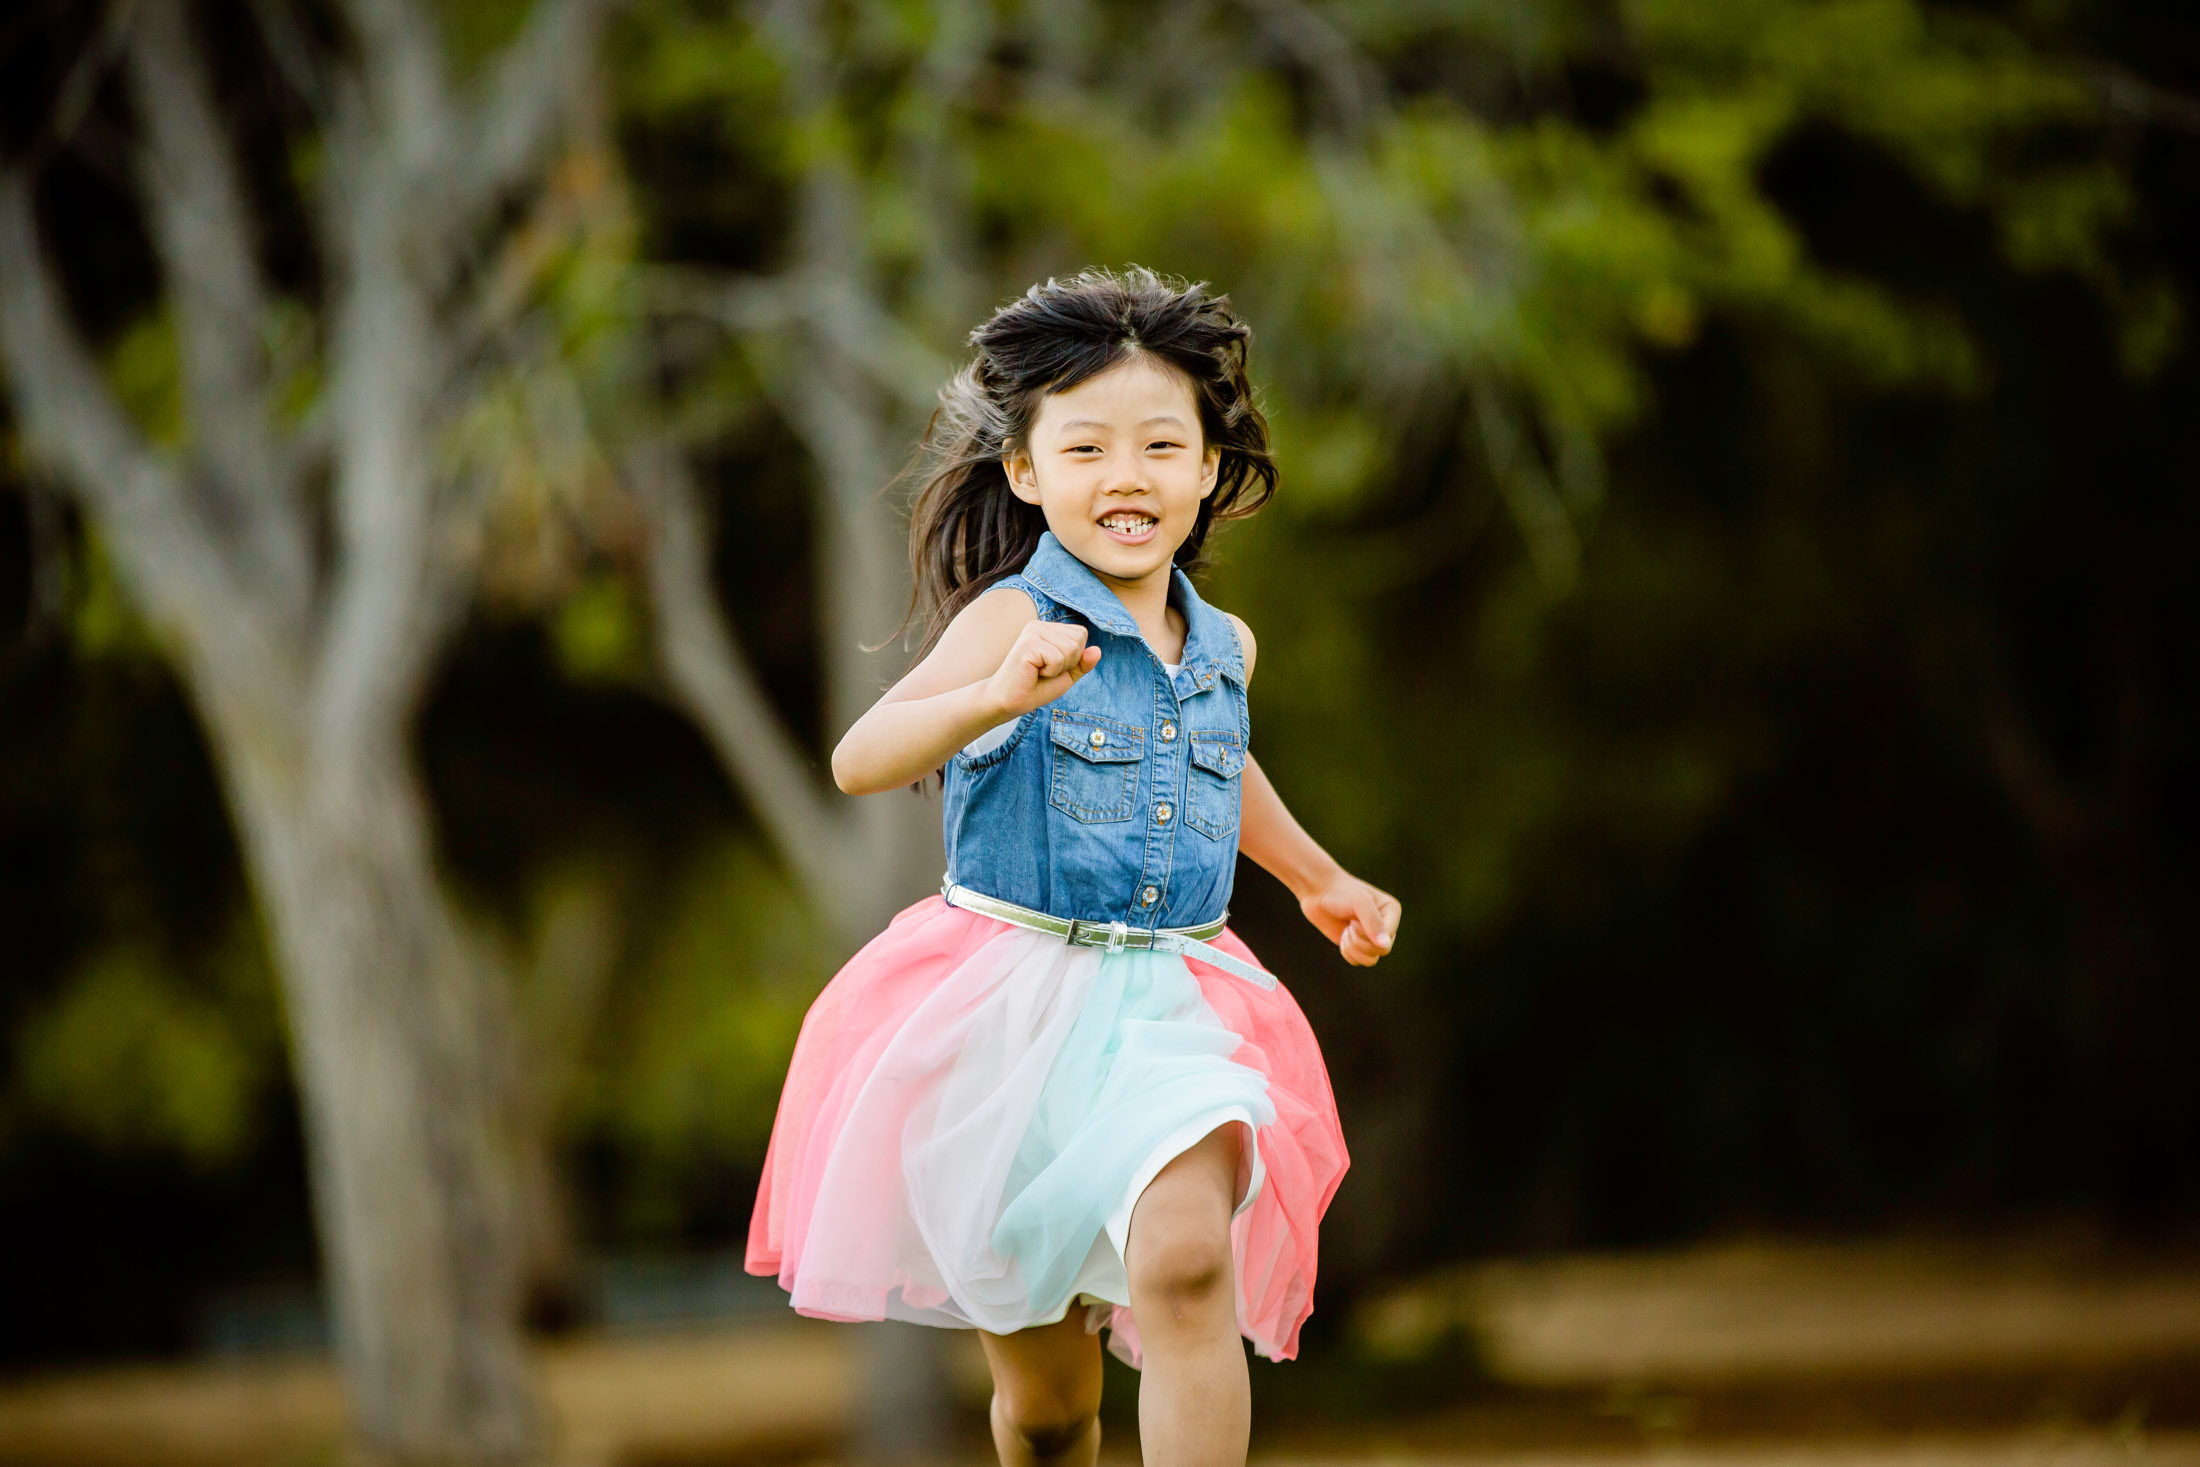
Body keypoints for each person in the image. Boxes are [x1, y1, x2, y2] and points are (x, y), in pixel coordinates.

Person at [745, 267, 1401, 1467]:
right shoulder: (1008, 621)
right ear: (1028, 472)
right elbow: (857, 757)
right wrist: (992, 695)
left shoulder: (1225, 647)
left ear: (1207, 470)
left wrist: (1318, 878)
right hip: (1009, 1023)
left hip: (1174, 1008)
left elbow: (1215, 765)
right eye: (1087, 448)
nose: (1127, 476)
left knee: (1188, 1265)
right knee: (1048, 1413)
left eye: (1161, 445)